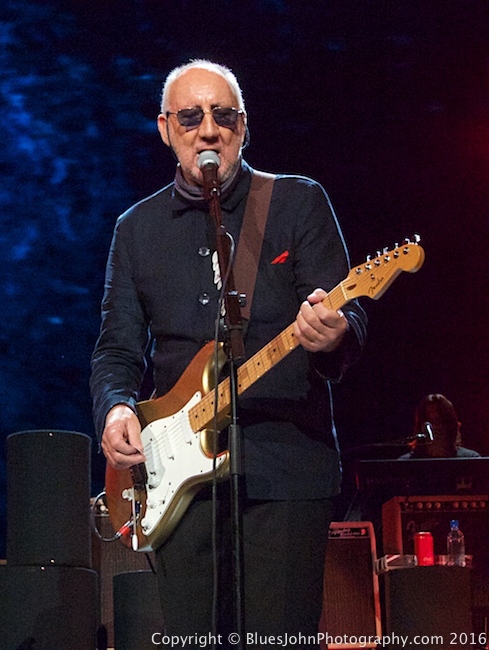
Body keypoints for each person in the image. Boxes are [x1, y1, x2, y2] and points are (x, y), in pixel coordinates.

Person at [90, 60, 368, 647]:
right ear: (166, 129)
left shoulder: (296, 203)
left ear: (245, 127)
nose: (208, 130)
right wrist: (116, 409)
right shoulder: (135, 230)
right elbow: (116, 349)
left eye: (224, 116)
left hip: (286, 471)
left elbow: (350, 319)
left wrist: (335, 333)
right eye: (190, 118)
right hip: (178, 484)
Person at [399, 394, 481, 459]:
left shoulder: (470, 459)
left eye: (440, 420)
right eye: (429, 421)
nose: (435, 427)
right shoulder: (405, 464)